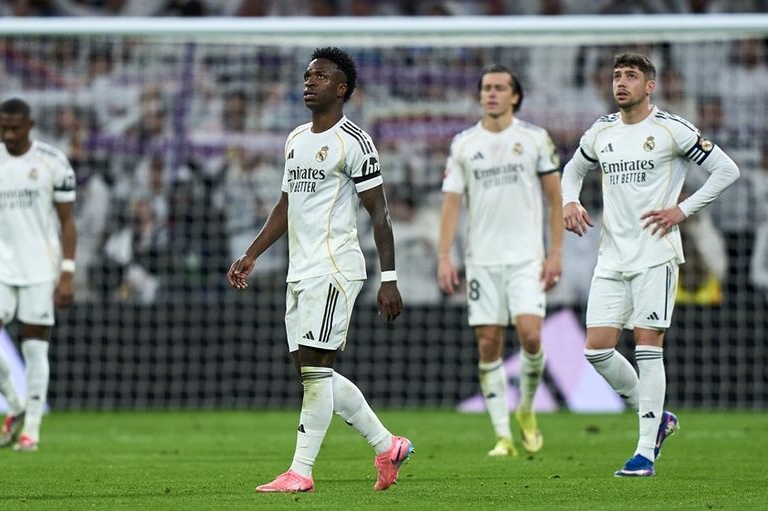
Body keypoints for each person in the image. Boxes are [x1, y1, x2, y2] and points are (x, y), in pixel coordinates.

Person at [227, 47, 411, 493]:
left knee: (314, 370)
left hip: (335, 267)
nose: (310, 82)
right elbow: (286, 204)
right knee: (310, 372)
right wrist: (253, 253)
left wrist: (389, 278)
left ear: (342, 88)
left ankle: (301, 472)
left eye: (321, 77)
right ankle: (388, 446)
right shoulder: (295, 139)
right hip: (299, 270)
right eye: (308, 76)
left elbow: (380, 213)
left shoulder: (355, 141)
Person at [561, 52, 740, 477]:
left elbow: (726, 169)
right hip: (612, 256)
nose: (621, 82)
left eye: (631, 76)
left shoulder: (671, 129)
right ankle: (658, 418)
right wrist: (570, 200)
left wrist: (683, 210)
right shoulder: (601, 130)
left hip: (656, 254)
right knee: (596, 350)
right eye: (617, 75)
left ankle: (644, 453)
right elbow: (572, 169)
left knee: (647, 346)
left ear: (649, 85)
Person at [436, 64, 564, 458]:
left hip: (527, 257)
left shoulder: (535, 139)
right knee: (488, 342)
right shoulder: (463, 144)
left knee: (531, 336)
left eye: (500, 87)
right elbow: (452, 204)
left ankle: (526, 406)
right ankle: (503, 436)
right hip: (482, 260)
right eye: (486, 88)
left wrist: (555, 252)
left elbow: (555, 199)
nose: (491, 93)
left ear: (515, 96)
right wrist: (444, 255)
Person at [0, 98, 77, 452]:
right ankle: (15, 403)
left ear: (30, 126)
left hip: (40, 267)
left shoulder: (53, 162)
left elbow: (68, 222)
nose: (9, 134)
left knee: (34, 347)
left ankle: (32, 430)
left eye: (15, 128)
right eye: (3, 128)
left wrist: (67, 271)